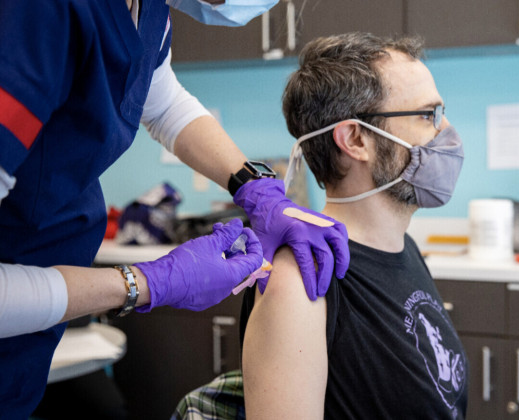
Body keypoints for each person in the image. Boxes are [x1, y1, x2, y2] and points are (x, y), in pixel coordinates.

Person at [0, 0, 349, 417]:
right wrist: (144, 282)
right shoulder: (33, 19)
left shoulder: (147, 11)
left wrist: (254, 186)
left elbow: (162, 101)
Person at [239, 32, 468, 419]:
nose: (446, 132)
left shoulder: (404, 248)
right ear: (356, 139)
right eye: (428, 115)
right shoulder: (301, 277)